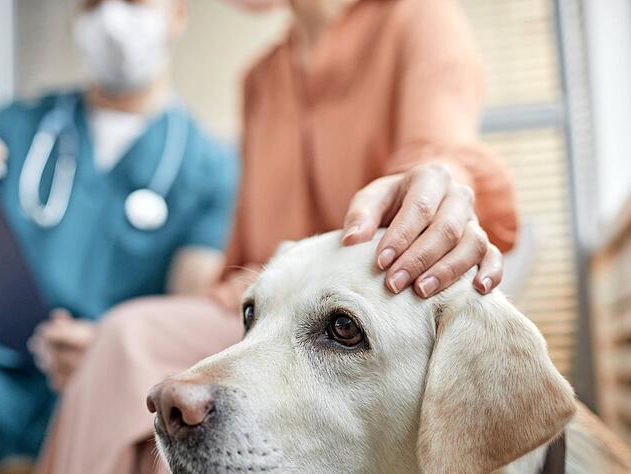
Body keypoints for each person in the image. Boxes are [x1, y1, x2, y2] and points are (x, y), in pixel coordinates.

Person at [35, 0, 518, 473]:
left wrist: (435, 187)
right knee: (126, 353)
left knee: (128, 339)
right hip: (268, 317)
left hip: (371, 325)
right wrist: (121, 350)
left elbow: (440, 150)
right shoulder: (259, 80)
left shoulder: (417, 16)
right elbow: (247, 270)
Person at [0, 1, 237, 473]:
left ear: (177, 15)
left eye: (133, 1)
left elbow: (188, 304)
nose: (111, 19)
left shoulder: (209, 167)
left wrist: (111, 350)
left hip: (112, 380)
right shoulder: (19, 129)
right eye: (92, 3)